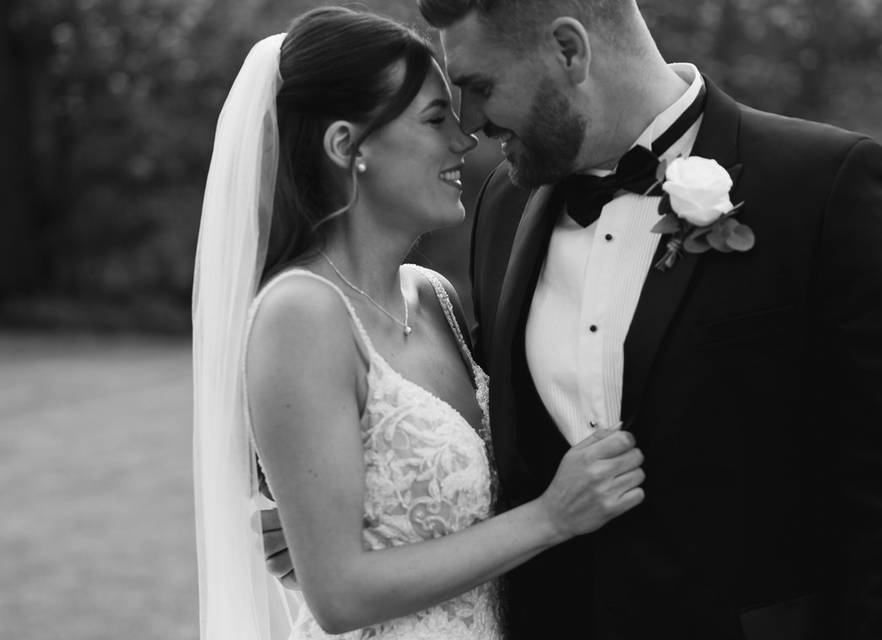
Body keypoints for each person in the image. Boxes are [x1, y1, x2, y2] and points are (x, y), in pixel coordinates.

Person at [258, 0, 882, 638]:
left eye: (479, 86)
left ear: (569, 51)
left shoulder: (822, 186)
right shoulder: (504, 206)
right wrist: (331, 521)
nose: (471, 124)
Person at [191, 6, 646, 640]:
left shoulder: (435, 298)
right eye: (435, 119)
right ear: (347, 147)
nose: (464, 139)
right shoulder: (302, 313)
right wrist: (552, 517)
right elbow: (340, 594)